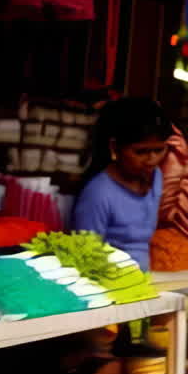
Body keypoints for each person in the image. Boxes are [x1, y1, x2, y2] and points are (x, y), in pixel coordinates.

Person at [73, 97, 173, 271]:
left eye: (159, 150)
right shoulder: (97, 194)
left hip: (144, 284)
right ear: (114, 147)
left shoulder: (156, 177)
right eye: (140, 152)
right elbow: (85, 260)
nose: (152, 159)